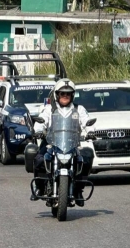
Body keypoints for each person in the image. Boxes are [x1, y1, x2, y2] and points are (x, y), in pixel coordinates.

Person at [30, 78, 95, 207]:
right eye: (62, 93)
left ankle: (78, 191)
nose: (65, 96)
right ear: (57, 95)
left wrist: (90, 131)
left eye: (68, 93)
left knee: (86, 157)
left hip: (72, 144)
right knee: (39, 159)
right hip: (52, 143)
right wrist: (38, 130)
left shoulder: (79, 109)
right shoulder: (49, 109)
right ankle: (39, 187)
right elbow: (42, 120)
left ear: (72, 95)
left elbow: (86, 121)